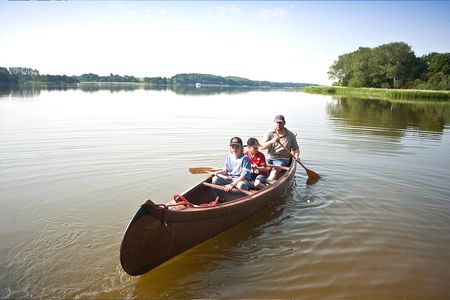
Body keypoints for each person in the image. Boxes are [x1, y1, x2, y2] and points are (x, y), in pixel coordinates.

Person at [261, 115, 299, 180]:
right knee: (261, 169)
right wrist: (271, 141)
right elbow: (262, 147)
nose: (278, 124)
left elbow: (296, 148)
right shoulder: (269, 133)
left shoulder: (290, 134)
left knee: (275, 171)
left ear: (284, 123)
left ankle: (267, 185)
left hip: (282, 159)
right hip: (269, 157)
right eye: (277, 122)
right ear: (274, 123)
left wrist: (297, 156)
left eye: (280, 123)